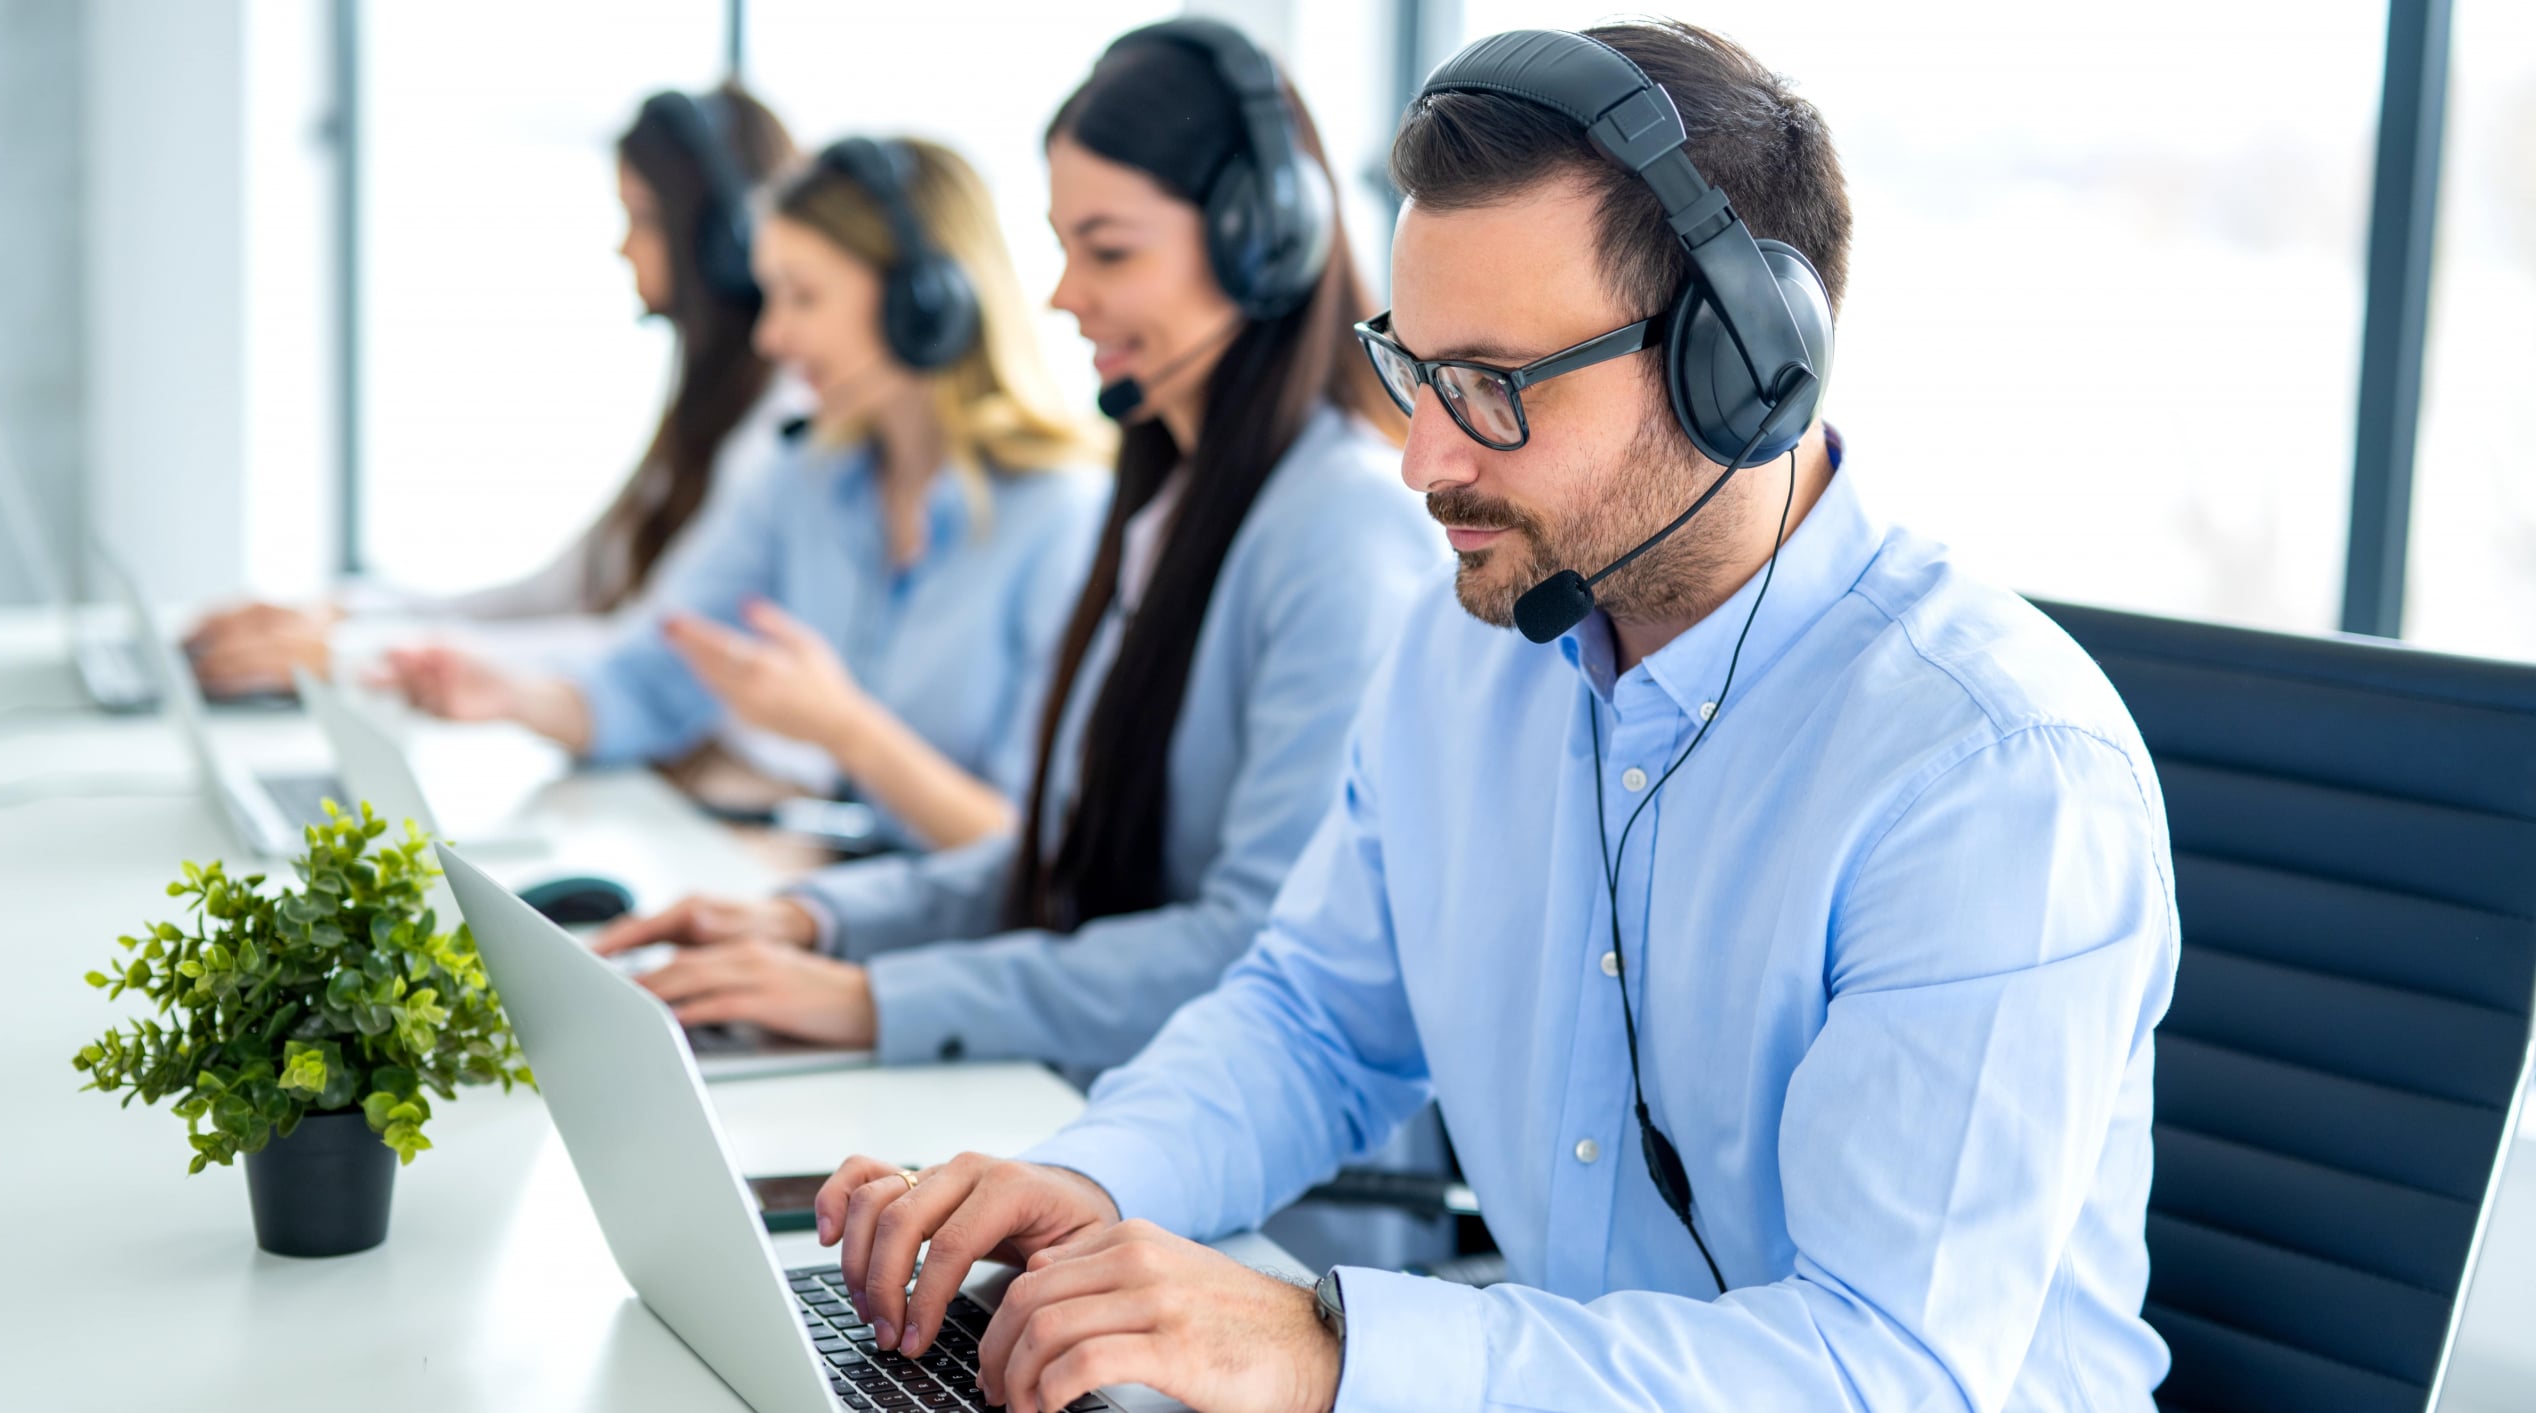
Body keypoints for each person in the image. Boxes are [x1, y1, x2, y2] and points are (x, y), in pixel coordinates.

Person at [802, 21, 2180, 1413]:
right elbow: (1314, 1018)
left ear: (1742, 371)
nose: (1422, 458)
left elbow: (1882, 1376)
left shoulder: (1994, 779)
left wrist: (1331, 1349)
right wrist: (1089, 1179)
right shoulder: (1465, 652)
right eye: (1414, 367)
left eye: (1493, 389)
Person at [589, 19, 1440, 1083]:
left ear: (1261, 242)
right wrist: (814, 924)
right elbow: (1060, 865)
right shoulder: (1165, 506)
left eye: (1109, 250)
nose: (1060, 296)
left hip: (1253, 1203)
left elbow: (1252, 947)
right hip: (1089, 1104)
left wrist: (872, 999)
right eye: (1061, 247)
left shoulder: (1337, 530)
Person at [386, 136, 1107, 852]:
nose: (773, 336)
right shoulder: (806, 476)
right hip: (848, 895)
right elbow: (652, 674)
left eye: (804, 296)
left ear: (922, 304)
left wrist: (846, 730)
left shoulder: (1062, 517)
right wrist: (512, 695)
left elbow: (1035, 855)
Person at [186, 86, 808, 693]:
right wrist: (341, 614)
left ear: (726, 243)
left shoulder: (775, 433)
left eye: (643, 218)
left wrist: (353, 655)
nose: (622, 247)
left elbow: (643, 644)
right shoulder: (702, 412)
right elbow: (549, 597)